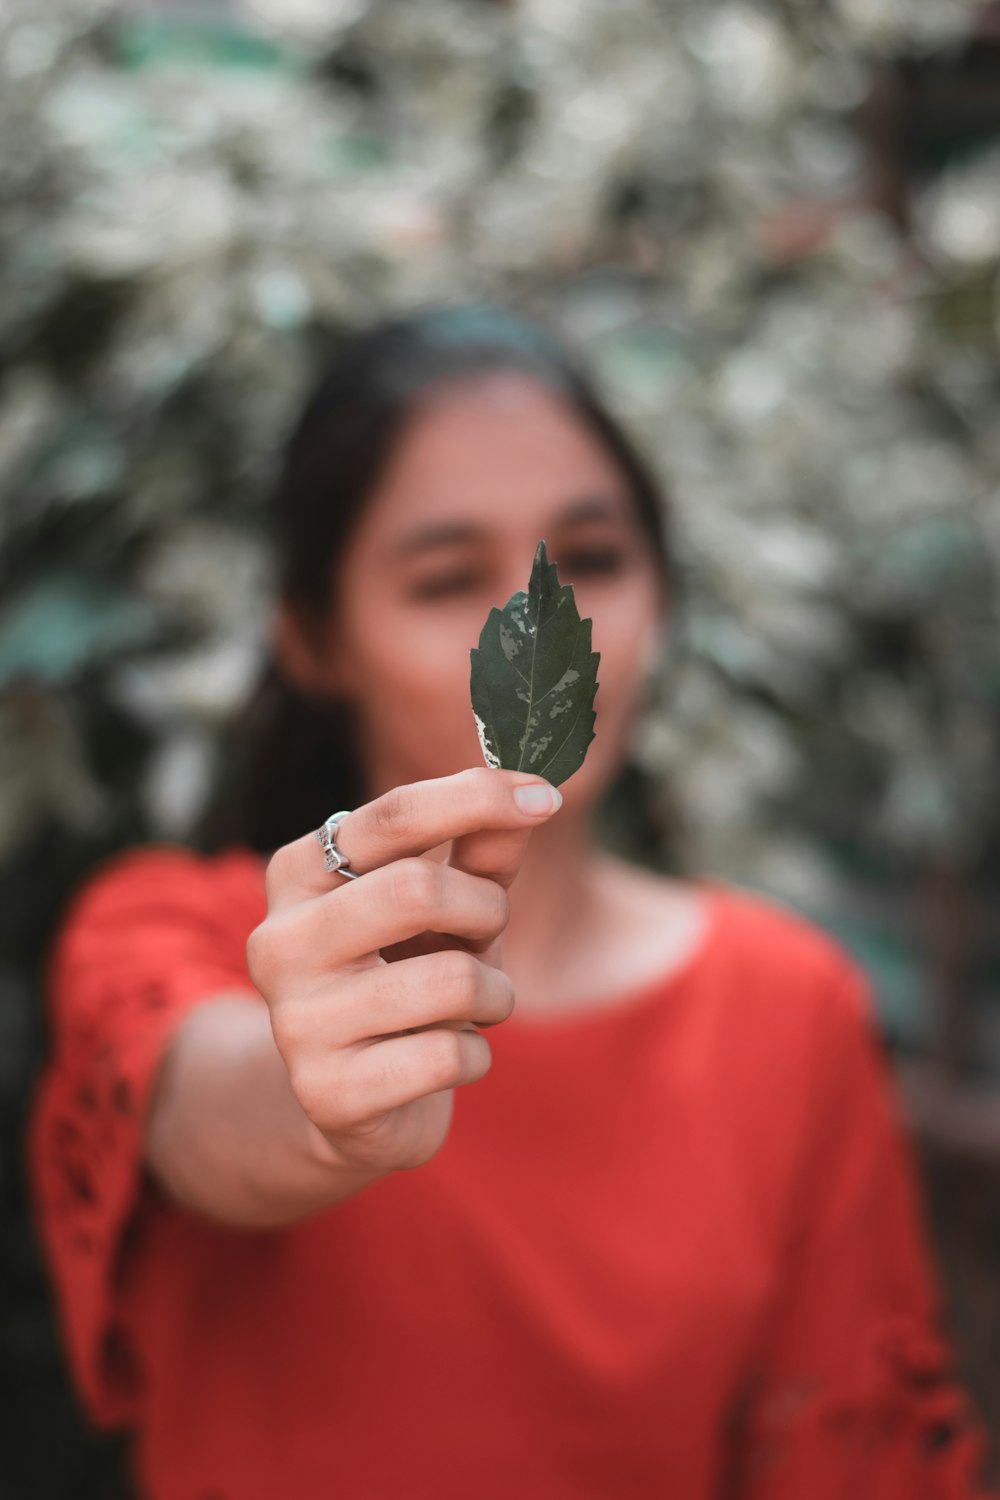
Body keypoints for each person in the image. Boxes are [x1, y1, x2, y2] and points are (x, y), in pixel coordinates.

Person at [26, 302, 996, 1499]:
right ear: (313, 640)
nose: (542, 627)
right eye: (444, 578)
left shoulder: (788, 1010)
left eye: (591, 560)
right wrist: (316, 1106)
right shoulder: (169, 929)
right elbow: (199, 1102)